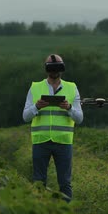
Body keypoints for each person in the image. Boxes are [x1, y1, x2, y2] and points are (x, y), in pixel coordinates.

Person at [22, 54, 83, 202]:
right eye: (51, 68)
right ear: (46, 69)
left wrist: (69, 108)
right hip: (41, 140)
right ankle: (39, 213)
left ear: (61, 69)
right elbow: (25, 116)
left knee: (65, 182)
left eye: (57, 68)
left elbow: (79, 118)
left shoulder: (71, 87)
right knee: (39, 182)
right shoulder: (35, 87)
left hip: (63, 142)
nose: (54, 72)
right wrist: (36, 106)